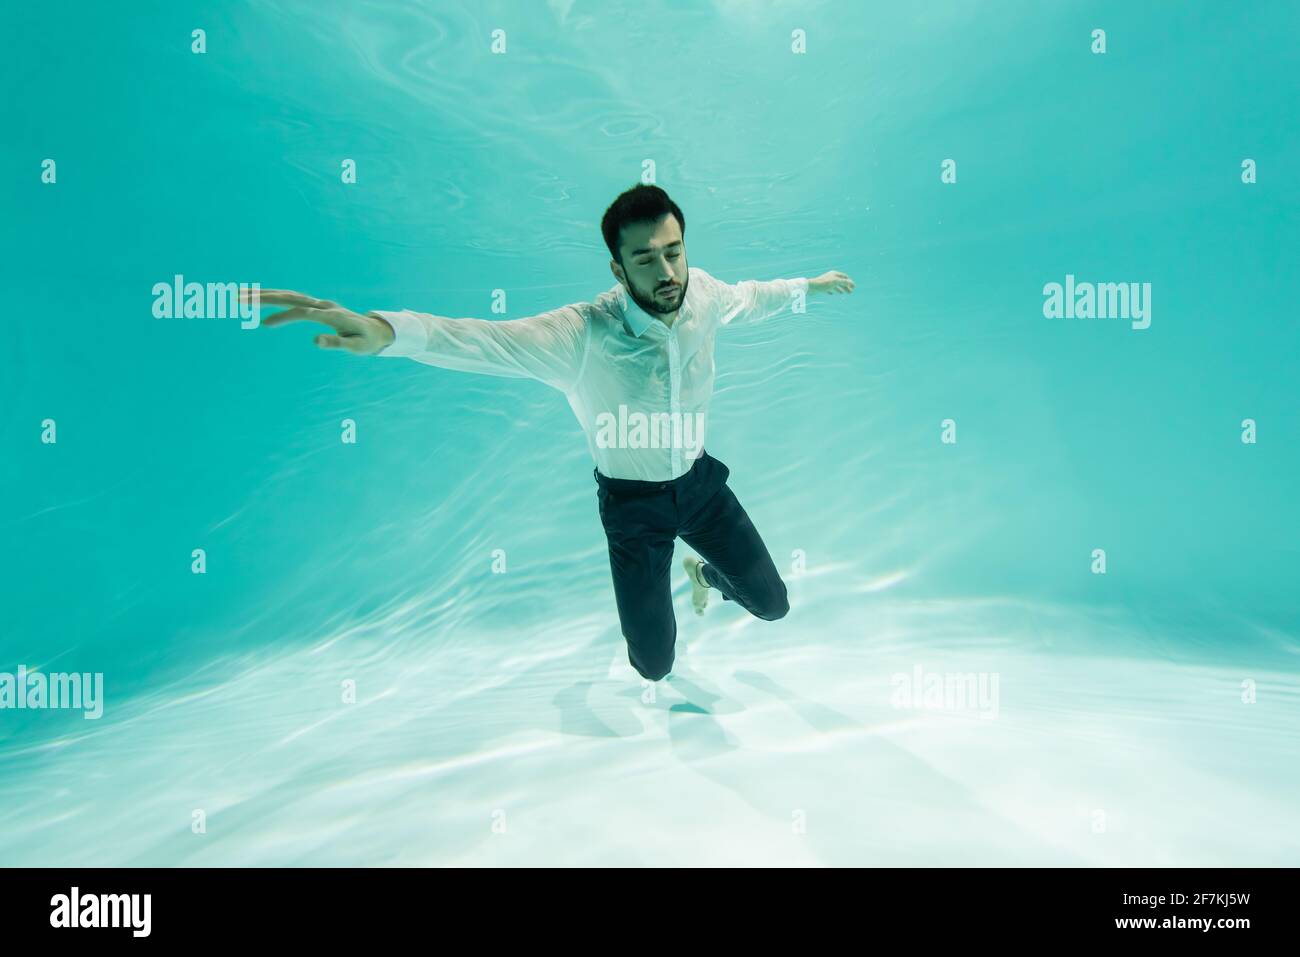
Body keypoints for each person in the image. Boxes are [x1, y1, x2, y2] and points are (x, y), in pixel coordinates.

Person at [249, 184, 854, 680]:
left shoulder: (705, 295)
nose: (667, 271)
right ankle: (672, 601)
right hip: (634, 510)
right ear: (618, 269)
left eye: (674, 251)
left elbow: (754, 296)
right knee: (654, 666)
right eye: (645, 259)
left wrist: (811, 287)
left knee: (773, 605)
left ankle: (703, 573)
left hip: (700, 487)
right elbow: (488, 340)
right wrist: (389, 331)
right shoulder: (583, 334)